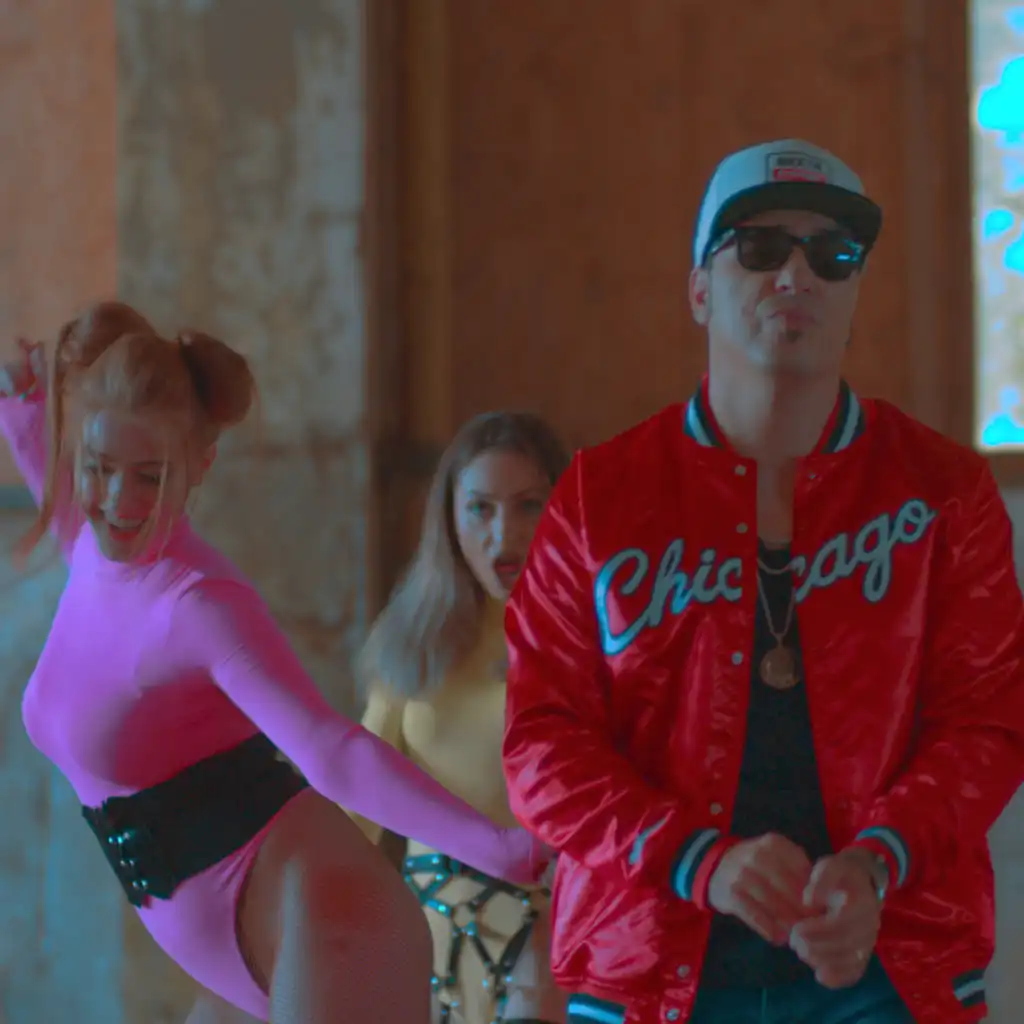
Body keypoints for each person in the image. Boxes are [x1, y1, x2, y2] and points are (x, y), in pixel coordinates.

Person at [501, 138, 1024, 1024]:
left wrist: (877, 862)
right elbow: (541, 744)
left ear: (854, 294)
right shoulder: (598, 498)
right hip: (649, 967)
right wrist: (699, 861)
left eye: (832, 255)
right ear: (698, 289)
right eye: (759, 246)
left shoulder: (945, 493)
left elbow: (988, 721)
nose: (796, 274)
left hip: (887, 967)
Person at [0, 302, 547, 1024]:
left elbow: (332, 750)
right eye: (97, 469)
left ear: (200, 465)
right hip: (243, 943)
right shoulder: (95, 549)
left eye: (149, 477)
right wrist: (23, 407)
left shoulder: (201, 606)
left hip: (327, 919)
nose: (118, 501)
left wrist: (503, 851)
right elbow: (72, 519)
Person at [352, 411, 570, 1024]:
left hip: (554, 935)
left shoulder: (590, 640)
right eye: (480, 508)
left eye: (529, 505)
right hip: (431, 938)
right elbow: (357, 800)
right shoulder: (412, 639)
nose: (504, 532)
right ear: (449, 517)